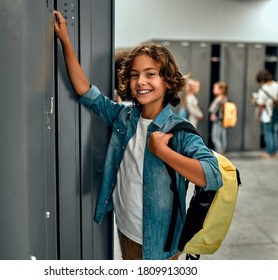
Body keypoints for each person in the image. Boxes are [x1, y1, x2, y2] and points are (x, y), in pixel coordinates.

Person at [54, 10, 222, 260]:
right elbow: (87, 92)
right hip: (126, 228)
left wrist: (163, 152)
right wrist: (65, 40)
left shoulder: (179, 131)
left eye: (150, 74)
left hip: (159, 242)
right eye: (134, 75)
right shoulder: (125, 116)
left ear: (168, 81)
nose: (140, 81)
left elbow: (212, 176)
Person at [254, 69, 278, 159]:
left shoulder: (263, 90)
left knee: (268, 133)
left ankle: (270, 153)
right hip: (276, 112)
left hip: (267, 114)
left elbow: (260, 105)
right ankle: (274, 152)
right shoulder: (277, 85)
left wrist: (258, 116)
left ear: (262, 80)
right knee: (274, 132)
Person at [208, 81, 228, 155]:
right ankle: (222, 151)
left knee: (215, 138)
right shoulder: (225, 98)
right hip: (223, 121)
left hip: (217, 121)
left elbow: (211, 109)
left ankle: (220, 153)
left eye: (215, 88)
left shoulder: (218, 99)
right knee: (222, 137)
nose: (213, 90)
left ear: (221, 90)